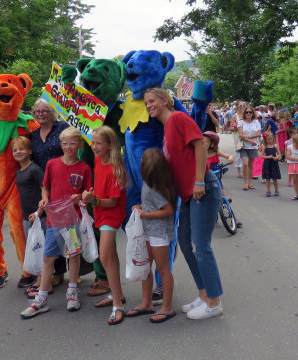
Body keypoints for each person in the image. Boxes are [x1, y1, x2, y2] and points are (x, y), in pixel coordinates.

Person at [144, 88, 223, 320]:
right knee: (186, 245)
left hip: (202, 188)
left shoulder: (178, 117)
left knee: (200, 245)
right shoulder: (166, 126)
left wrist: (199, 180)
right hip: (187, 195)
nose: (148, 105)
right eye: (146, 103)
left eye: (152, 101)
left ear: (166, 101)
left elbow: (200, 144)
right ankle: (204, 294)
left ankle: (215, 301)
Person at [20, 127, 92, 319]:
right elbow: (46, 186)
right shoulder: (52, 164)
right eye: (64, 143)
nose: (68, 147)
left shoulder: (84, 168)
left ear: (80, 144)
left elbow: (87, 195)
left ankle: (72, 291)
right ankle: (41, 299)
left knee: (73, 255)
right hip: (54, 220)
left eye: (72, 143)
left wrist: (81, 197)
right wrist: (44, 199)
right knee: (48, 258)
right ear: (60, 145)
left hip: (72, 222)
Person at [82, 126, 128, 325]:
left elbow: (113, 202)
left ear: (110, 145)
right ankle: (117, 294)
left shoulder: (116, 168)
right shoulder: (98, 161)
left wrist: (94, 200)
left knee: (105, 255)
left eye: (98, 143)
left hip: (111, 214)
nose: (94, 146)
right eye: (92, 142)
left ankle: (117, 304)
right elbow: (100, 189)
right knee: (112, 257)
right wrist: (89, 195)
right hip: (100, 212)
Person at [125, 148, 176, 323]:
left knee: (163, 269)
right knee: (145, 268)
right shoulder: (152, 184)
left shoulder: (155, 186)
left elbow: (168, 210)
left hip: (158, 233)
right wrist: (141, 207)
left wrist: (146, 214)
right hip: (148, 231)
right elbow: (153, 204)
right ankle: (146, 302)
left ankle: (167, 307)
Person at [26, 98, 70, 288]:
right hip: (42, 185)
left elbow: (74, 145)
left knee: (64, 228)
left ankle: (66, 270)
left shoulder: (62, 128)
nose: (40, 114)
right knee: (47, 228)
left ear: (51, 112)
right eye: (37, 111)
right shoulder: (33, 136)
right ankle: (51, 271)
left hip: (63, 183)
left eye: (44, 111)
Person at [11, 136, 45, 293]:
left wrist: (39, 212)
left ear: (30, 151)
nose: (18, 152)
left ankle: (43, 282)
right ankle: (39, 279)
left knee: (41, 248)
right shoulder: (19, 171)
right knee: (33, 248)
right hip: (26, 216)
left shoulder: (35, 169)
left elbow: (45, 191)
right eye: (15, 150)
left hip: (38, 216)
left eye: (21, 149)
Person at [237, 105, 261, 191]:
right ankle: (246, 182)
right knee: (245, 164)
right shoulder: (241, 122)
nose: (248, 113)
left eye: (250, 112)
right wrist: (250, 140)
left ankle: (250, 182)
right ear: (244, 113)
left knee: (251, 166)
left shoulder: (256, 122)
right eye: (246, 112)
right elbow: (241, 135)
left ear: (252, 113)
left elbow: (259, 133)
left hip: (253, 147)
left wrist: (250, 137)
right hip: (244, 146)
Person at [259, 132, 281, 197]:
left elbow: (279, 154)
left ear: (273, 138)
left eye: (271, 139)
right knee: (267, 178)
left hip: (274, 163)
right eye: (268, 139)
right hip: (267, 164)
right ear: (265, 139)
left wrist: (277, 157)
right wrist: (268, 157)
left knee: (275, 178)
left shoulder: (275, 145)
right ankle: (268, 191)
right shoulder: (264, 146)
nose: (270, 141)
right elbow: (262, 156)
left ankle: (276, 190)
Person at [230, 101, 245, 178]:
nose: (242, 107)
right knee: (239, 152)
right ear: (237, 106)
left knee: (248, 151)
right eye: (240, 105)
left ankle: (246, 170)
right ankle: (239, 170)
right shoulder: (235, 116)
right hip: (237, 136)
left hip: (247, 136)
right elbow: (230, 128)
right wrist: (235, 127)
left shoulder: (248, 114)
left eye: (243, 105)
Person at [285, 134, 298, 200]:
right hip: (292, 165)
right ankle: (297, 193)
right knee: (295, 181)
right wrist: (296, 159)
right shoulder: (290, 147)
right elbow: (288, 156)